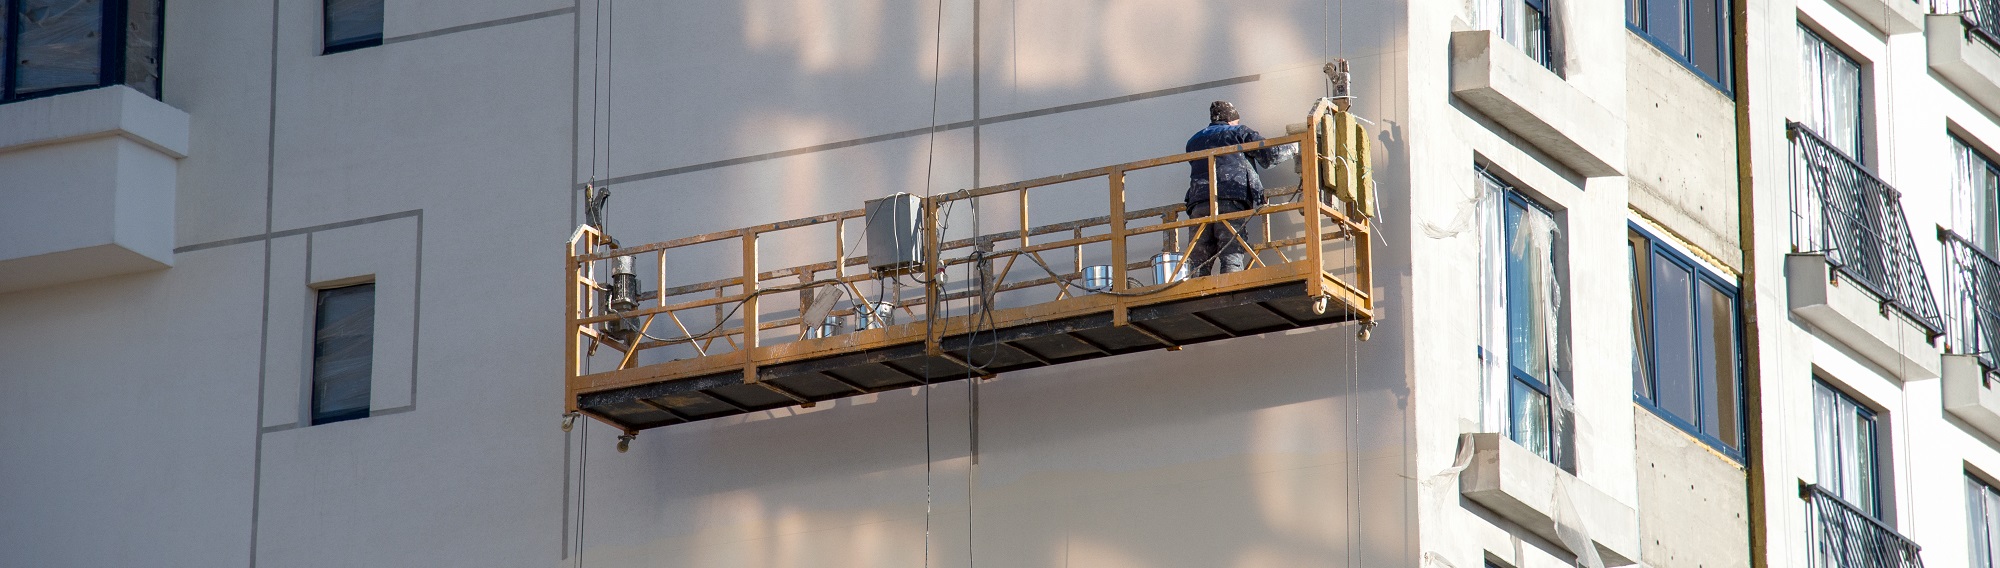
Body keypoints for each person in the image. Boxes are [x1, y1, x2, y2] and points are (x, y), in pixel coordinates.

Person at [1184, 100, 1294, 276]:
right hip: (1229, 199)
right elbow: (1271, 155)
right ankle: (1231, 293)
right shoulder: (1238, 132)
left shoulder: (1194, 140)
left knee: (1198, 262)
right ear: (1231, 120)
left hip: (1199, 204)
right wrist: (1297, 146)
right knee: (1232, 254)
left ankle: (1199, 297)